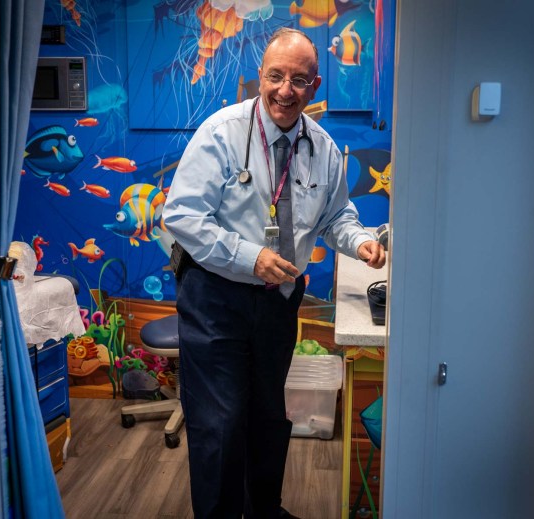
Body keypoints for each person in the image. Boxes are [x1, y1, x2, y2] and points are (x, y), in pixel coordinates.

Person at [162, 27, 386, 519]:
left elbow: (336, 217)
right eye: (276, 76)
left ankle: (264, 509)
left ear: (316, 85)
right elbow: (179, 217)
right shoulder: (222, 133)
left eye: (299, 80)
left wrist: (362, 241)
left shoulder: (323, 148)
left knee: (267, 415)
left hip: (280, 300)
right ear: (261, 77)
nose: (286, 90)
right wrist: (249, 257)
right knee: (219, 423)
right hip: (215, 298)